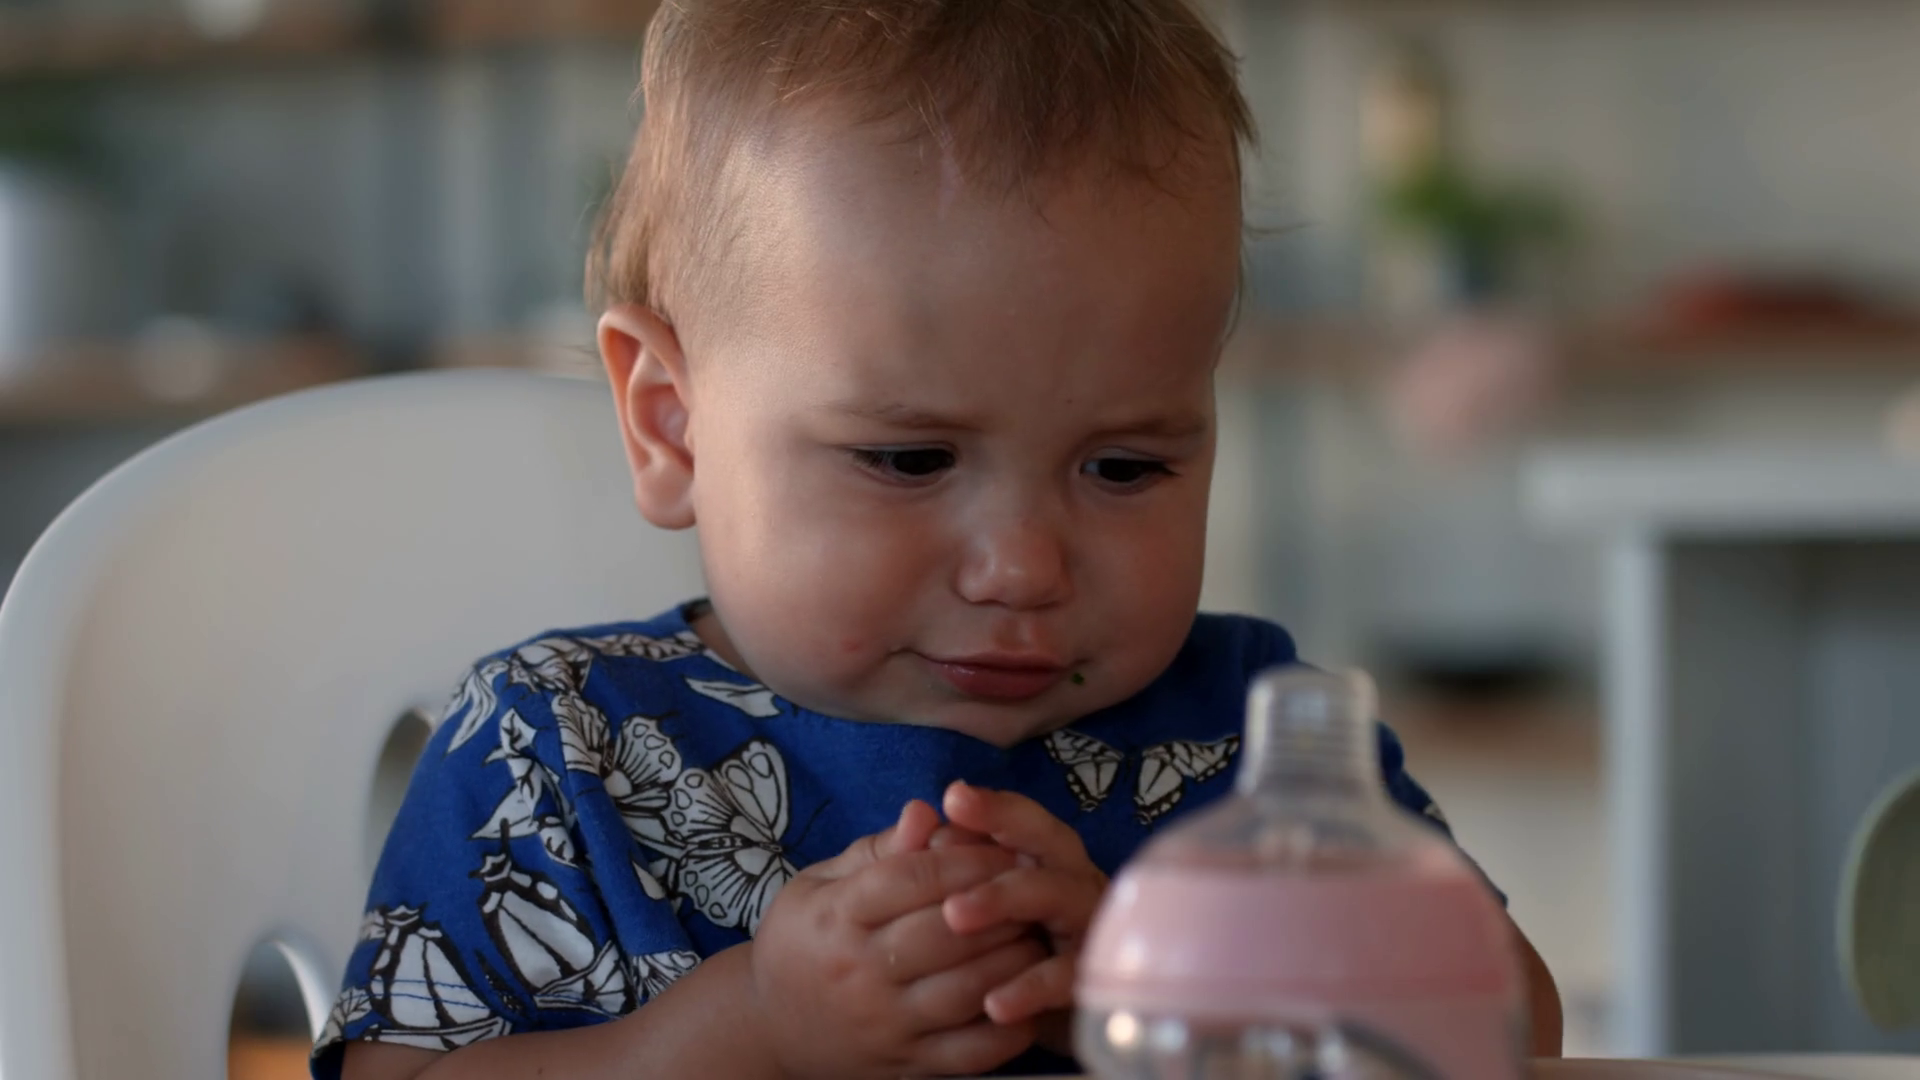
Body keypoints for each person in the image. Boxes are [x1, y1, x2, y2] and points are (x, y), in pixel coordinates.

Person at [319, 1, 1563, 1076]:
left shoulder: (1249, 741)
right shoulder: (554, 747)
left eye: (1124, 467)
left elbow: (1514, 1025)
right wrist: (752, 1030)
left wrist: (1163, 981)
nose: (1023, 567)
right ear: (673, 425)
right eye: (909, 461)